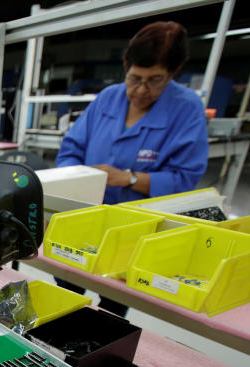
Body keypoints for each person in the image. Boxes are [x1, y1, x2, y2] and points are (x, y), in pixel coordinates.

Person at [54, 21, 208, 317]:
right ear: (126, 65)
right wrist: (78, 178)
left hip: (135, 231)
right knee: (65, 292)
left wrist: (129, 178)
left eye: (155, 80)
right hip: (83, 220)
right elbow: (70, 151)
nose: (140, 89)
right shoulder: (108, 98)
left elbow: (185, 179)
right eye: (134, 78)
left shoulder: (186, 109)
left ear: (174, 73)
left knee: (113, 304)